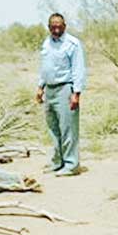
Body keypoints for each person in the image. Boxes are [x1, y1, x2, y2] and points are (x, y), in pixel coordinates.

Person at [36, 13, 87, 177]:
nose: (56, 29)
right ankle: (57, 162)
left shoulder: (72, 44)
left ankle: (71, 165)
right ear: (48, 27)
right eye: (53, 26)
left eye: (59, 26)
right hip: (50, 89)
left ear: (64, 26)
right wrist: (40, 87)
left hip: (65, 89)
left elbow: (78, 69)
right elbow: (45, 67)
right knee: (54, 128)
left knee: (68, 129)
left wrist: (76, 94)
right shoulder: (47, 43)